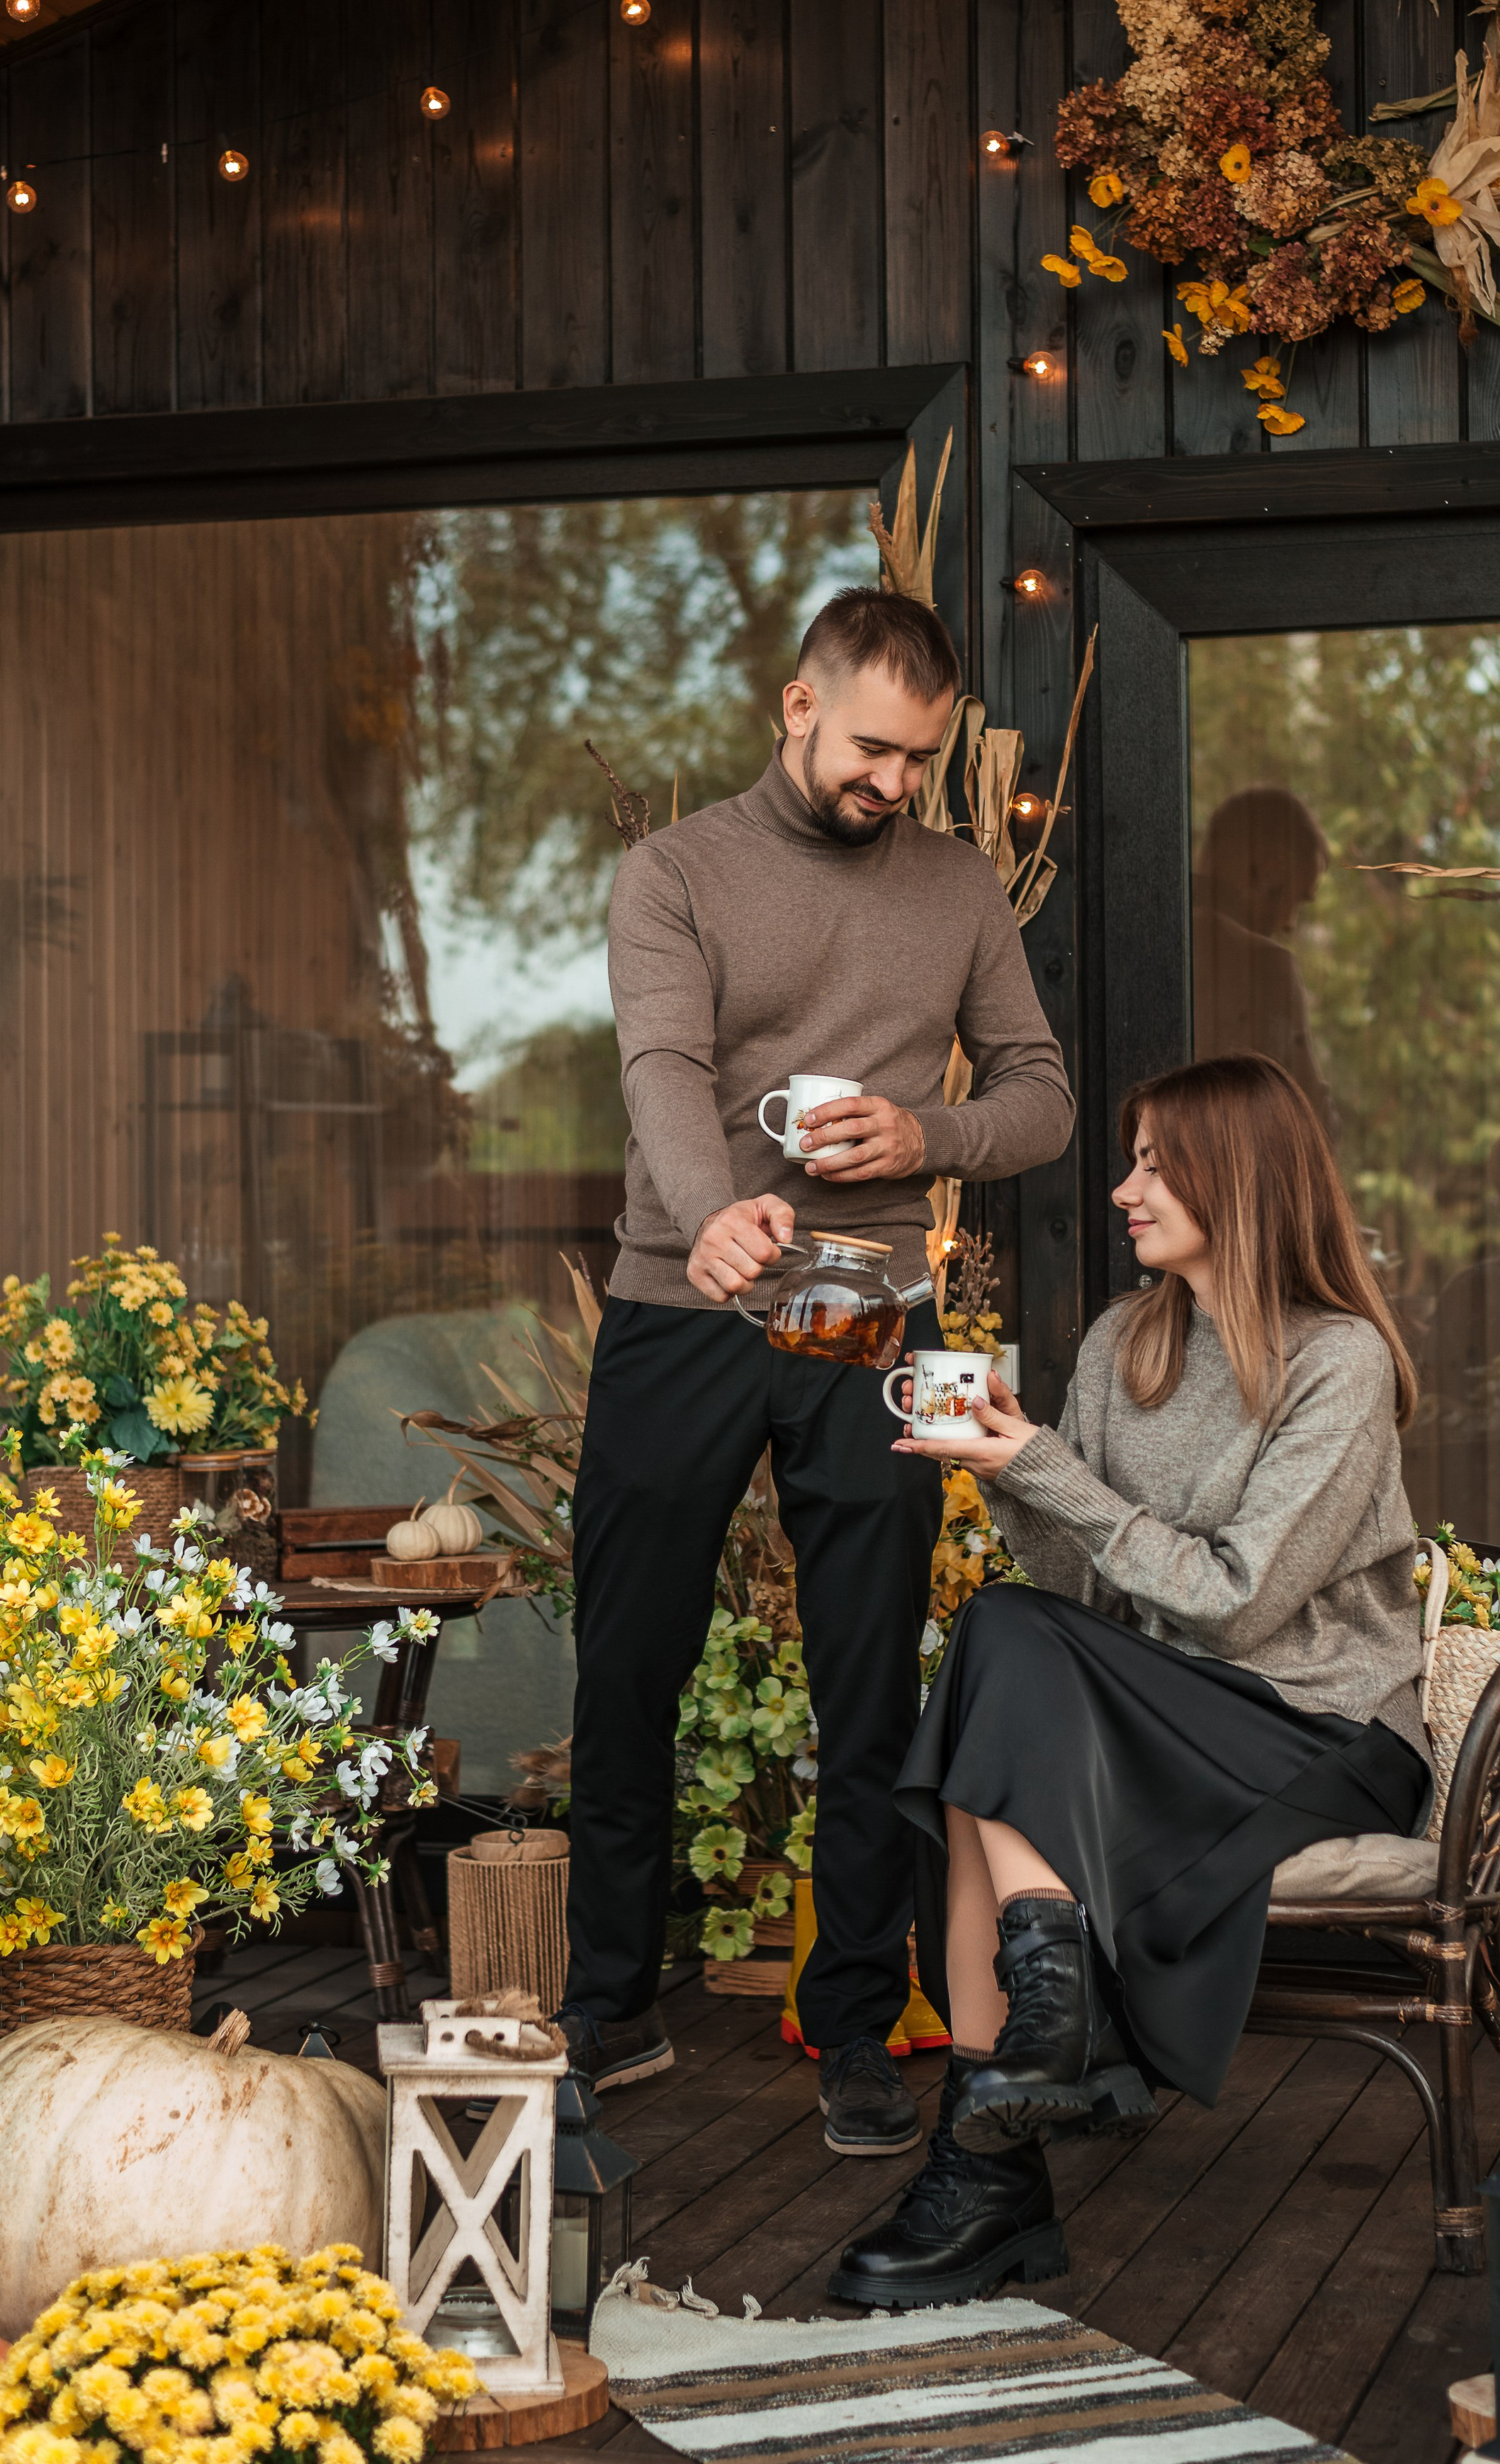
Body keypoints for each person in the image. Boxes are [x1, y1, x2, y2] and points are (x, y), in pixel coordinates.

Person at [560, 585, 1075, 2166]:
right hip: (682, 1303)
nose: (893, 784)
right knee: (627, 1662)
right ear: (797, 706)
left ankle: (856, 2021)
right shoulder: (675, 873)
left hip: (871, 1312)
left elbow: (1041, 1093)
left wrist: (929, 1137)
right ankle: (608, 2006)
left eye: (918, 759)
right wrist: (707, 1216)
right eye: (870, 749)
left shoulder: (957, 885)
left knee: (865, 1677)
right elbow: (657, 1061)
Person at [831, 1052, 1430, 2306]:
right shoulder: (1124, 1343)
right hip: (1161, 1715)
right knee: (1002, 1629)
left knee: (983, 1701)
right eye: (1132, 1159)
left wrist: (1050, 1466)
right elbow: (1081, 1592)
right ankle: (1031, 2047)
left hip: (1309, 1732)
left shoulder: (1339, 1364)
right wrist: (1006, 1466)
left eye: (1156, 1163)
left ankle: (989, 2155)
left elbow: (1238, 1600)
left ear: (1242, 1180)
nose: (1123, 1190)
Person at [1191, 784, 1333, 1125]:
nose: (1289, 925)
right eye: (1297, 901)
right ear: (1270, 870)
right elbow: (1311, 1123)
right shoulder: (1265, 967)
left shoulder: (1151, 933)